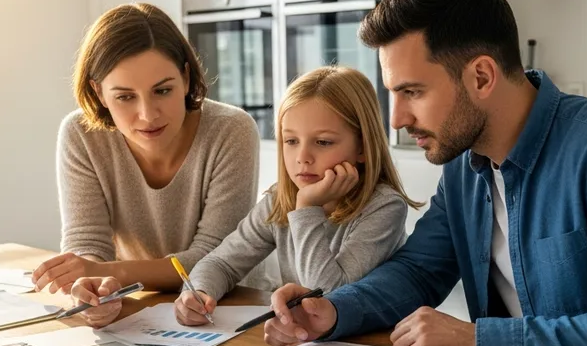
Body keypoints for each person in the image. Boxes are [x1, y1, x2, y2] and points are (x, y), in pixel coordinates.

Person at [261, 0, 587, 346]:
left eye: (412, 92)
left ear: (481, 77)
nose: (396, 119)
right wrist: (333, 311)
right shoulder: (463, 165)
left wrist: (481, 341)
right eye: (393, 94)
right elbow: (418, 272)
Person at [32, 2, 259, 327]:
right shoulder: (80, 134)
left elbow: (214, 257)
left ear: (185, 77)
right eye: (125, 97)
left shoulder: (231, 130)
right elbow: (87, 243)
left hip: (228, 307)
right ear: (99, 92)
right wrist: (92, 287)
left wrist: (107, 272)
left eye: (162, 90)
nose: (148, 115)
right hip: (140, 310)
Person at [173, 65, 422, 326]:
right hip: (305, 341)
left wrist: (306, 208)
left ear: (362, 147)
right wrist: (199, 292)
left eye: (323, 142)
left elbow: (328, 299)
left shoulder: (384, 207)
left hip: (370, 342)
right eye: (291, 141)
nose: (303, 158)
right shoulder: (279, 200)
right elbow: (221, 263)